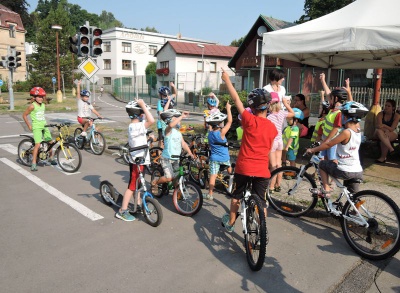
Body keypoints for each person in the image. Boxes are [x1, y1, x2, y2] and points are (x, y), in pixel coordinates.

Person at [220, 68, 277, 233]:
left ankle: (231, 223)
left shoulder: (249, 119)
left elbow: (236, 98)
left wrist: (227, 79)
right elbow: (269, 150)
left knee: (237, 195)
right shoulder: (273, 128)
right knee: (261, 202)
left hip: (244, 167)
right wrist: (272, 166)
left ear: (253, 107)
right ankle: (262, 229)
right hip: (262, 170)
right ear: (268, 106)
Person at [306, 101, 369, 210]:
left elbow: (329, 144)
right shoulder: (358, 131)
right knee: (353, 196)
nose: (341, 118)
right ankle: (355, 214)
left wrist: (313, 150)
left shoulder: (345, 133)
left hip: (345, 170)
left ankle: (326, 189)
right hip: (357, 170)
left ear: (347, 117)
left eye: (343, 115)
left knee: (322, 164)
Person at [116, 99, 155, 222]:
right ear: (139, 114)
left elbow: (140, 138)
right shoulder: (136, 126)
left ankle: (137, 203)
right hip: (137, 161)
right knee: (132, 186)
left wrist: (149, 138)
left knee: (138, 184)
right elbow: (152, 121)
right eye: (142, 113)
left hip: (140, 160)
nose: (144, 114)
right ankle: (122, 210)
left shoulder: (135, 126)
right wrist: (143, 105)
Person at [151, 109, 194, 188]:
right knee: (169, 177)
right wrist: (181, 116)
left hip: (176, 159)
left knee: (177, 177)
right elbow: (170, 125)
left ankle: (176, 192)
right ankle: (155, 182)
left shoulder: (178, 133)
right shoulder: (167, 131)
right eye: (177, 119)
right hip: (166, 158)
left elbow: (183, 144)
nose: (179, 122)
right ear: (170, 120)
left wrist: (190, 153)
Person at [318, 73, 353, 162]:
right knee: (324, 159)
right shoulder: (333, 108)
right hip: (326, 139)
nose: (329, 98)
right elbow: (328, 93)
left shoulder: (339, 112)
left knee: (333, 159)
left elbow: (336, 128)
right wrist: (323, 81)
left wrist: (327, 140)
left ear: (336, 99)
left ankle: (333, 175)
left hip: (332, 141)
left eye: (332, 97)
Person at [22, 87, 57, 171]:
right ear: (34, 97)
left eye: (42, 97)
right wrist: (29, 126)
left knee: (50, 142)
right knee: (37, 145)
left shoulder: (43, 105)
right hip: (37, 127)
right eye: (39, 97)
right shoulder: (32, 106)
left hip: (44, 126)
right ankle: (33, 163)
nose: (41, 98)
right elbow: (24, 115)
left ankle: (51, 158)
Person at [203, 102, 232, 200]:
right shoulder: (222, 133)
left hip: (214, 158)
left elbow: (210, 126)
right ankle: (231, 180)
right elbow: (230, 121)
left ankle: (210, 193)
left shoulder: (210, 134)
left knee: (213, 176)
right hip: (225, 157)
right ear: (219, 124)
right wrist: (228, 108)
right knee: (229, 168)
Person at [267, 92, 295, 192]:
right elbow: (293, 114)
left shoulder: (269, 117)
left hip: (272, 142)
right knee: (279, 164)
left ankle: (271, 187)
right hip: (280, 141)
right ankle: (278, 185)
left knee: (273, 166)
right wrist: (286, 104)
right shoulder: (282, 113)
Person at [373, 99, 400, 163]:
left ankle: (382, 158)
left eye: (388, 106)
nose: (386, 107)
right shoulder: (380, 114)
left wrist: (385, 126)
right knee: (379, 131)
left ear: (393, 108)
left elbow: (392, 128)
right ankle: (391, 149)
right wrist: (386, 130)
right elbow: (379, 126)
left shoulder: (397, 116)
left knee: (384, 137)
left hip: (391, 133)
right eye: (385, 105)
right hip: (379, 132)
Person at [156, 82, 176, 147]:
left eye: (167, 95)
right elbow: (161, 113)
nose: (166, 97)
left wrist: (173, 87)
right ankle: (159, 154)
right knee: (161, 140)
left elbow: (175, 94)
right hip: (162, 124)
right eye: (165, 95)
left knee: (167, 139)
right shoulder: (160, 102)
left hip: (168, 123)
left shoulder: (168, 99)